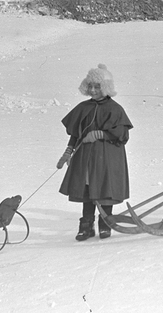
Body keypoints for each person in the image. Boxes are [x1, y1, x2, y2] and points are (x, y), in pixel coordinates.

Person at [57, 64, 132, 240]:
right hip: (85, 158)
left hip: (106, 158)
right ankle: (86, 226)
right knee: (87, 190)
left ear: (105, 87)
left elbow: (122, 134)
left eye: (97, 86)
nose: (93, 90)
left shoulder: (115, 109)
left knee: (105, 189)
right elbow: (76, 135)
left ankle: (105, 225)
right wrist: (68, 152)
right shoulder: (83, 108)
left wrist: (99, 134)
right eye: (90, 86)